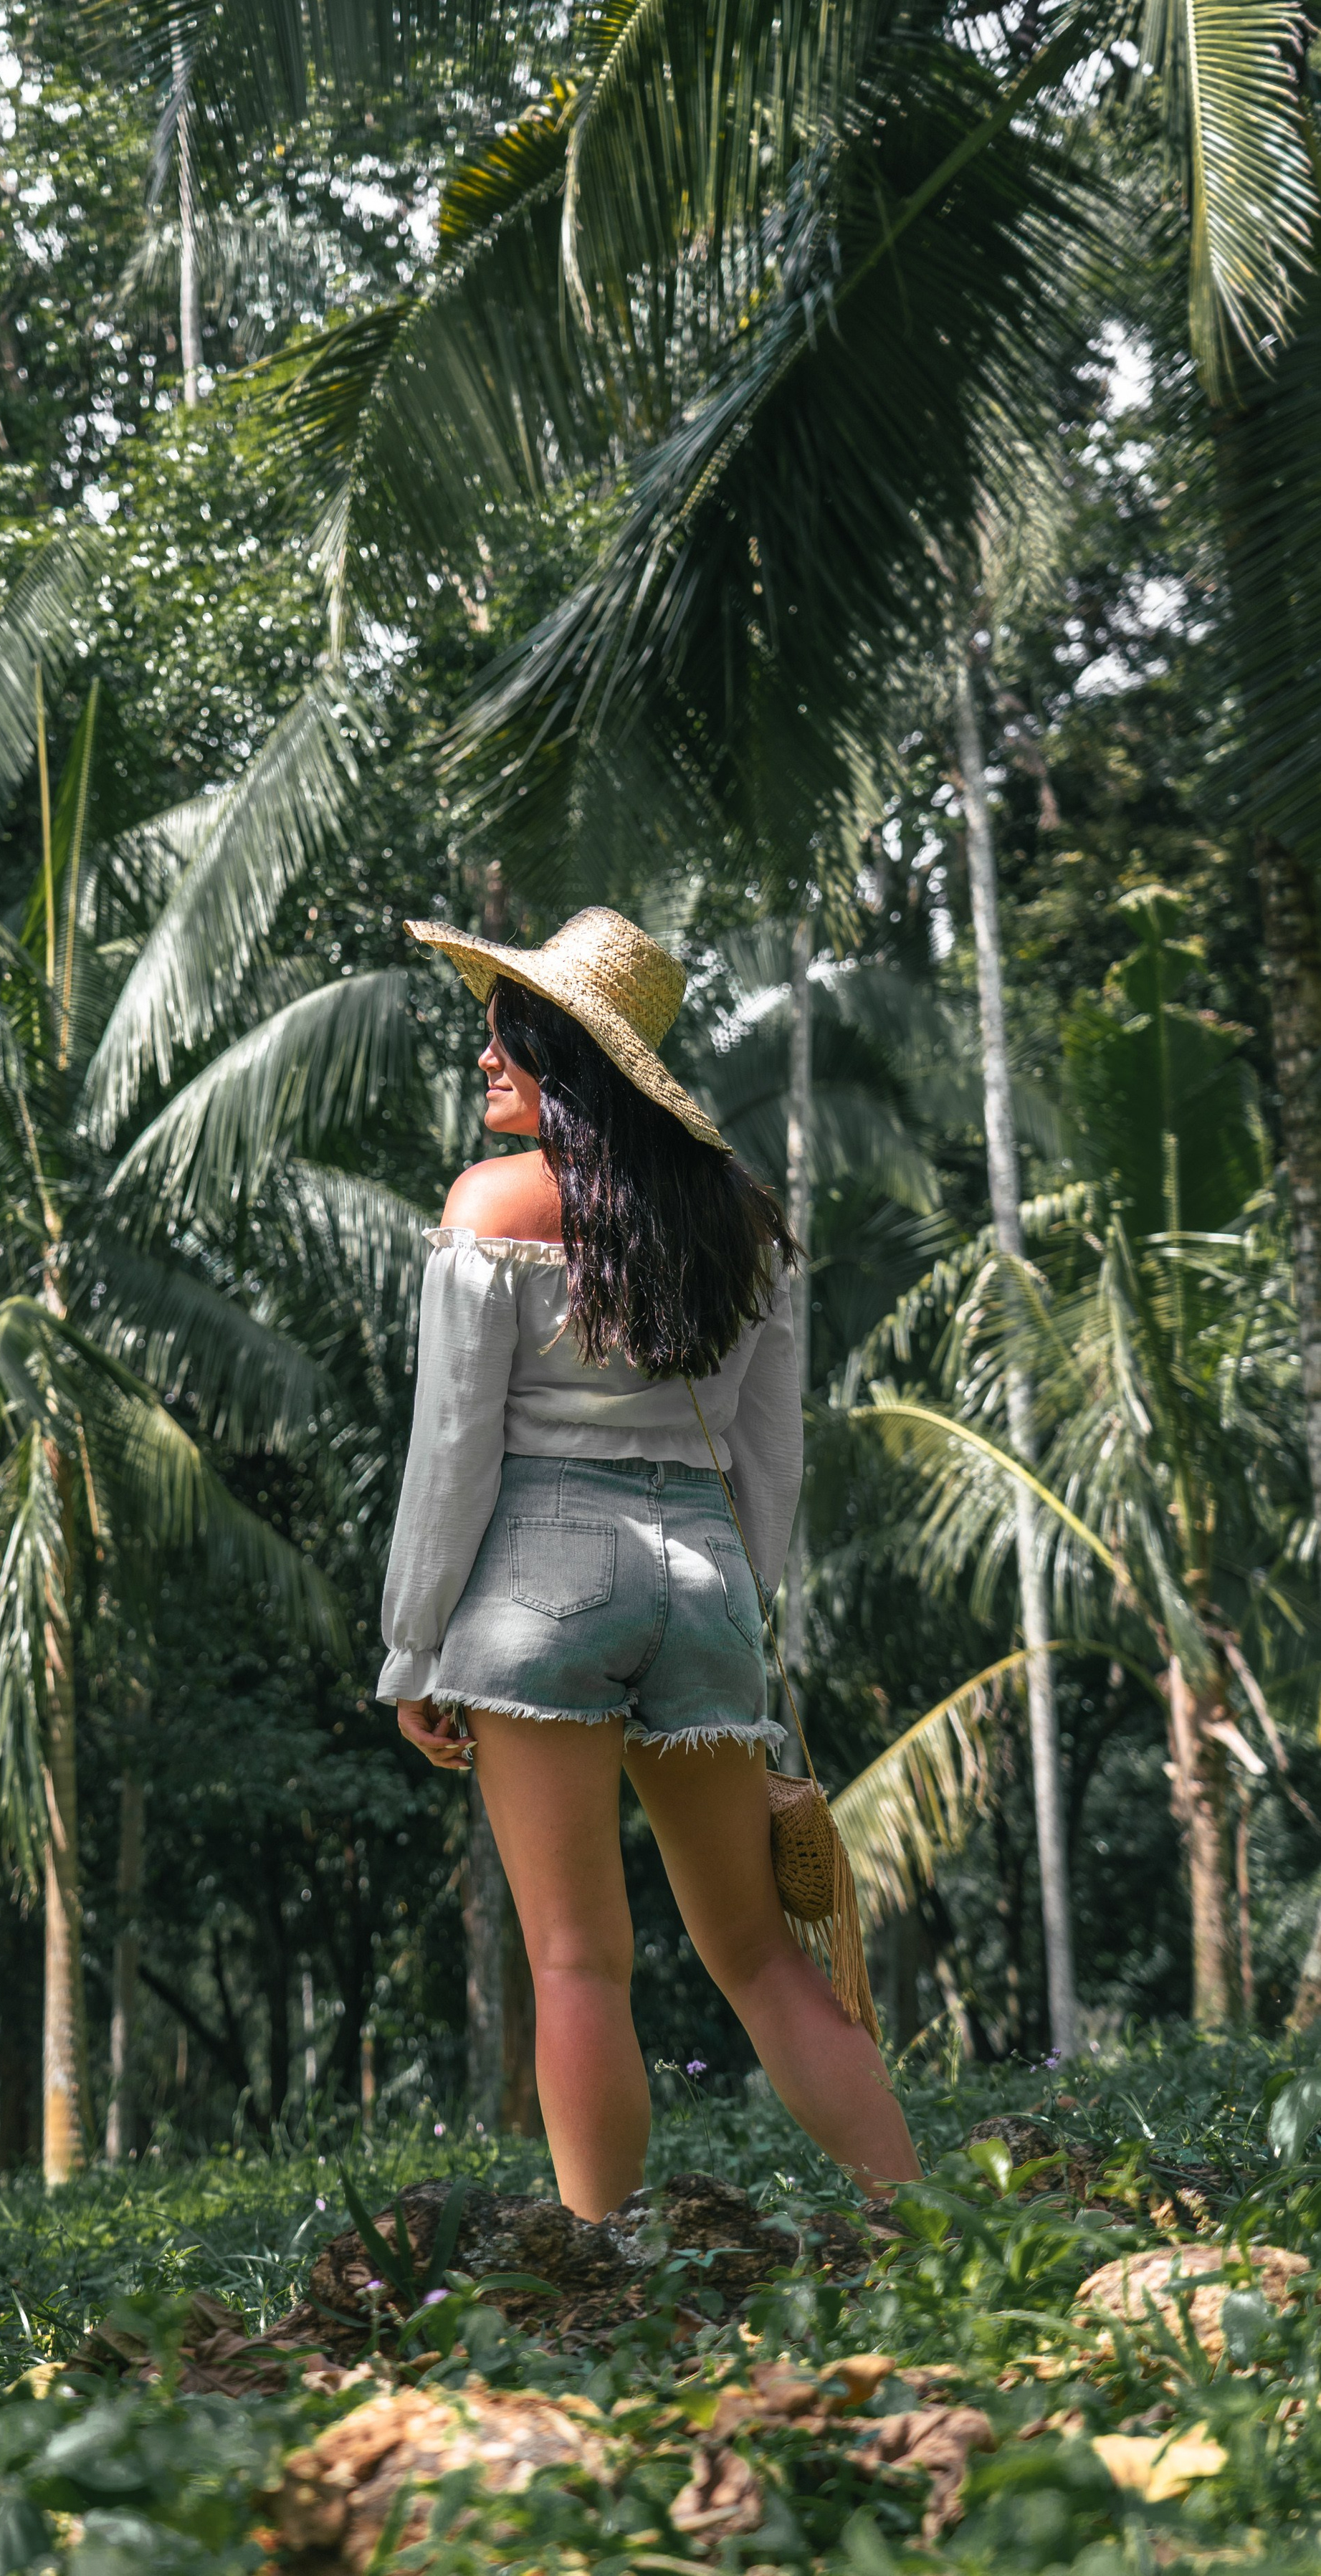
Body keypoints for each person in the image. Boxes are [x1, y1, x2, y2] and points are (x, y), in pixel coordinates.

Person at [380, 906, 920, 2218]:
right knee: (757, 1951)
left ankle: (605, 2261)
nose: (486, 1060)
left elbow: (450, 1454)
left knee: (577, 1960)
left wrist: (414, 1647)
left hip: (537, 1576)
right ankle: (926, 2227)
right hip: (707, 1579)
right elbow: (768, 1456)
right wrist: (745, 1605)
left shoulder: (492, 1207)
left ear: (567, 1054)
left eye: (507, 1036)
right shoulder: (743, 1218)